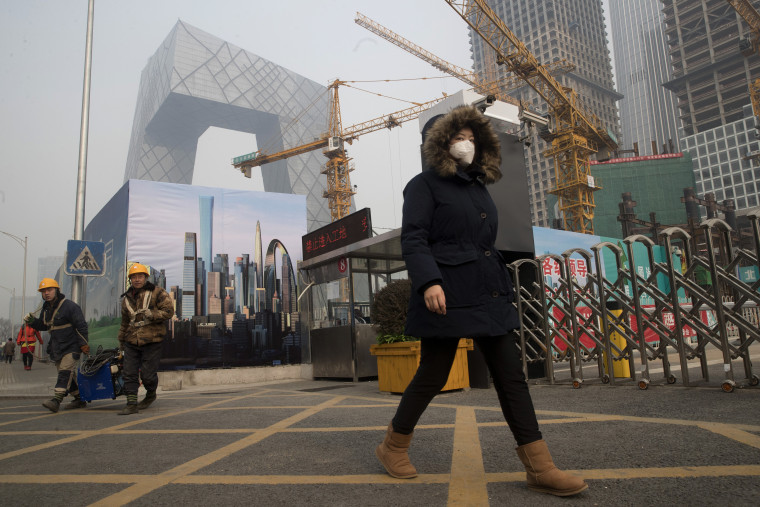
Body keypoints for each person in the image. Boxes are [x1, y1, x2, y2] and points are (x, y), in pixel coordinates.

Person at [374, 106, 588, 497]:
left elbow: (483, 244)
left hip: (487, 293)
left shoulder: (478, 187)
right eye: (459, 138)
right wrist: (429, 282)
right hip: (446, 294)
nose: (466, 145)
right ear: (438, 143)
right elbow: (414, 238)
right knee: (433, 374)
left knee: (511, 377)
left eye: (473, 139)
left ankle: (540, 467)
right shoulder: (423, 186)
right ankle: (393, 446)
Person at [25, 278, 89, 412]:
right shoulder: (46, 308)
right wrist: (32, 321)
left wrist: (83, 343)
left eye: (49, 290)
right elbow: (43, 325)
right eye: (43, 291)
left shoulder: (70, 306)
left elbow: (81, 326)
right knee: (67, 375)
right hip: (57, 348)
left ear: (56, 290)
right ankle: (79, 399)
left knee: (65, 372)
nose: (46, 293)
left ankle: (56, 401)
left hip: (72, 346)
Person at [117, 263, 174, 415]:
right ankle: (131, 403)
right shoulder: (127, 299)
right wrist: (121, 341)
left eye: (140, 276)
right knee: (129, 373)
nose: (137, 279)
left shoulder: (157, 293)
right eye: (134, 277)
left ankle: (150, 394)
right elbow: (124, 323)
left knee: (148, 375)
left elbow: (169, 311)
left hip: (152, 340)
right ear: (130, 279)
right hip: (131, 340)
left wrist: (153, 314)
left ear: (145, 278)